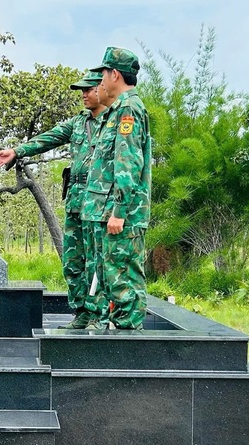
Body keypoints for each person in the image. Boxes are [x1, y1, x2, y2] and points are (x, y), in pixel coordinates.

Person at [0, 70, 111, 329]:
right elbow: (49, 138)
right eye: (81, 90)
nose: (84, 95)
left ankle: (98, 316)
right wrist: (16, 151)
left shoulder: (112, 122)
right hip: (76, 201)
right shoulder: (78, 123)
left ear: (101, 89)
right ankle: (81, 314)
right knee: (73, 260)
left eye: (88, 89)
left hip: (100, 202)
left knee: (97, 261)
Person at [82, 47, 152, 330]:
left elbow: (128, 164)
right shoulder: (119, 109)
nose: (100, 81)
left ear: (114, 74)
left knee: (124, 281)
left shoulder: (128, 109)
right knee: (114, 277)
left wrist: (119, 211)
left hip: (123, 215)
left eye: (103, 75)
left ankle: (130, 349)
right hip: (114, 211)